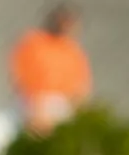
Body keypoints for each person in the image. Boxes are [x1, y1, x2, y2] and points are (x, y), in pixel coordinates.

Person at [8, 3, 92, 136]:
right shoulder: (33, 44)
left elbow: (81, 87)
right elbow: (21, 79)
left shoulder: (72, 50)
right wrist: (35, 106)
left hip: (64, 103)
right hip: (37, 103)